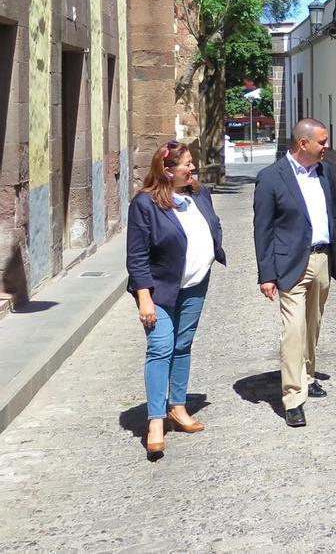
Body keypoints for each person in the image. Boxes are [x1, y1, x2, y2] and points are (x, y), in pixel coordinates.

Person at [126, 140, 225, 458]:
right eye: (186, 164)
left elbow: (212, 224)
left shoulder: (198, 194)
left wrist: (210, 253)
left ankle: (178, 407)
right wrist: (144, 298)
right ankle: (155, 420)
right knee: (160, 348)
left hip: (195, 285)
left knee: (182, 346)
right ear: (167, 171)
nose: (193, 167)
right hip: (160, 291)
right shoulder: (145, 204)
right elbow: (137, 255)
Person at [253, 119, 336, 427]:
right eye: (322, 142)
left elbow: (334, 214)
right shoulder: (271, 178)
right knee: (293, 332)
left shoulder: (324, 172)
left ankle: (308, 375)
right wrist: (266, 274)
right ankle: (293, 397)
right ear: (303, 144)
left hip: (322, 259)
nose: (326, 147)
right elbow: (262, 231)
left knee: (312, 325)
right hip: (290, 264)